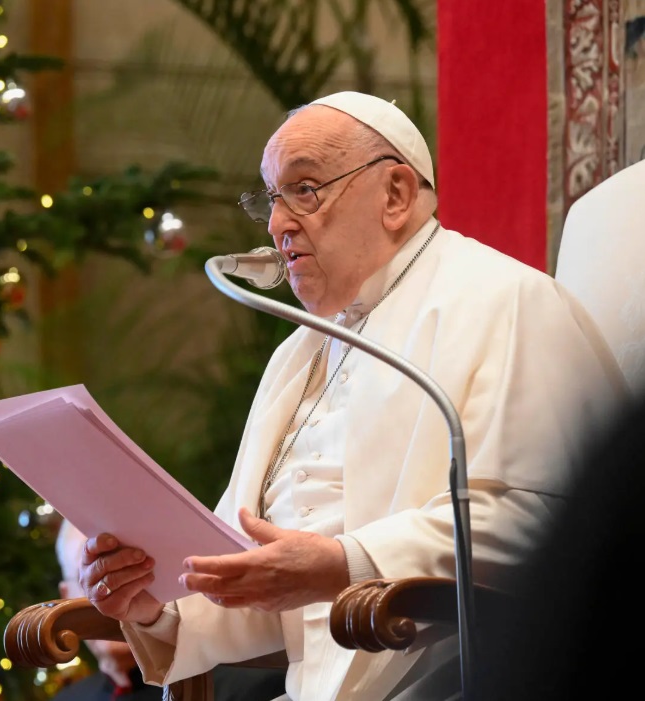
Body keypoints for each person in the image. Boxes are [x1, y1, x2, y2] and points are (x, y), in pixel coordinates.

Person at [73, 91, 628, 700]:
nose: (278, 223)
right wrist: (156, 605)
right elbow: (261, 574)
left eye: (305, 190)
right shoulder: (300, 353)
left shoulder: (508, 301)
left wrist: (348, 563)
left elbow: (551, 522)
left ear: (394, 195)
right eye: (270, 199)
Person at [51, 519, 286, 701]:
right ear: (65, 596)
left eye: (123, 571)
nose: (110, 593)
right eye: (88, 578)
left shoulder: (248, 687)